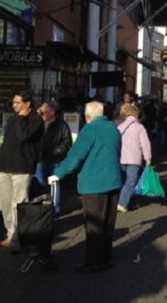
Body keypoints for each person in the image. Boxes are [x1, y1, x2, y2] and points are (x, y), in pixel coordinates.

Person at [48, 101, 121, 273]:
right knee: (107, 224)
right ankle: (106, 259)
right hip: (113, 181)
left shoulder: (89, 130)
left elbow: (75, 157)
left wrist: (58, 174)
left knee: (94, 224)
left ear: (87, 116)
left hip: (94, 183)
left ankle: (94, 262)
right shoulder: (113, 128)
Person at [0, 91, 44, 249]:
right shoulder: (13, 118)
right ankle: (11, 233)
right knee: (5, 202)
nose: (14, 105)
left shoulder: (35, 120)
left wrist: (23, 117)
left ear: (27, 104)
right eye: (13, 102)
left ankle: (17, 238)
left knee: (19, 203)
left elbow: (23, 135)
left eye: (17, 102)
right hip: (6, 166)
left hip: (22, 167)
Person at [33, 100, 72, 214]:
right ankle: (39, 208)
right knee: (39, 183)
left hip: (54, 160)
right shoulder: (37, 123)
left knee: (54, 185)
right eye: (40, 112)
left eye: (43, 112)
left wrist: (55, 152)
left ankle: (55, 209)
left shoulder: (62, 125)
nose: (41, 114)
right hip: (40, 159)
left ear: (52, 112)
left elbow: (67, 143)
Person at [116, 103, 152, 212]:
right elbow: (145, 144)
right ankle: (122, 203)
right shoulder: (139, 127)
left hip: (121, 158)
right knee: (131, 181)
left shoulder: (119, 127)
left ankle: (128, 202)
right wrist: (148, 158)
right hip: (134, 158)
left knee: (124, 181)